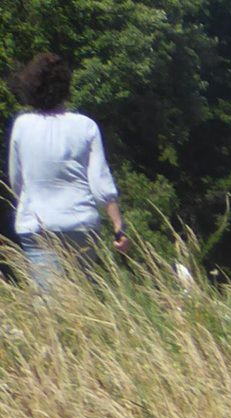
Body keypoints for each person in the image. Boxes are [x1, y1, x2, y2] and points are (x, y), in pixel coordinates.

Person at [7, 52, 129, 288]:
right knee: (79, 303)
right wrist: (118, 228)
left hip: (37, 225)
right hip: (80, 224)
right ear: (65, 87)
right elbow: (100, 183)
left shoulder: (22, 126)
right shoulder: (85, 126)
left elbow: (16, 181)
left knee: (48, 305)